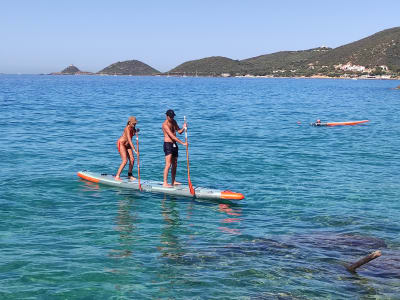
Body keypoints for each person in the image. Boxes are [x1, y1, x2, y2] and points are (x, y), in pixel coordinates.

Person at [162, 109, 187, 187]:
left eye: (173, 116)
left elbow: (179, 131)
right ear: (167, 116)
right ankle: (165, 182)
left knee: (175, 164)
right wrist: (183, 143)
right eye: (171, 116)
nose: (172, 118)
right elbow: (172, 136)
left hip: (174, 144)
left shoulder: (174, 121)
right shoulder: (165, 125)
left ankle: (173, 181)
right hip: (168, 144)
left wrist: (184, 128)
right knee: (168, 164)